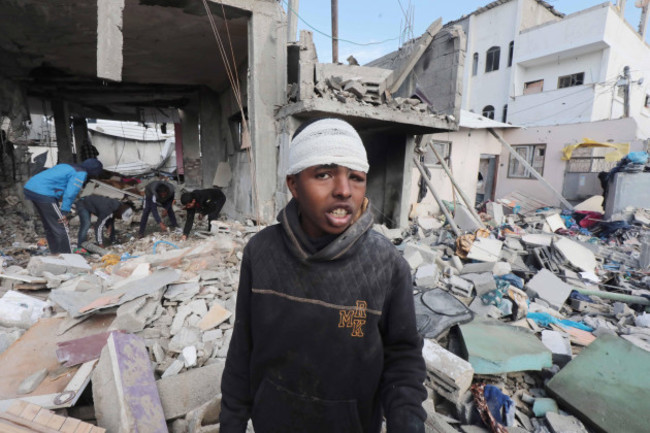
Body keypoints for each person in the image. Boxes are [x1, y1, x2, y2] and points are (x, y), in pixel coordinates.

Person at [220, 118, 427, 433]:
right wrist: (231, 423)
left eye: (356, 178)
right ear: (294, 184)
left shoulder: (386, 265)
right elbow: (242, 347)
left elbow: (403, 359)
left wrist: (407, 424)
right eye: (324, 174)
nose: (343, 190)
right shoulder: (261, 254)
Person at [24, 158, 103, 254]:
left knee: (50, 226)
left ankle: (55, 253)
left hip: (31, 188)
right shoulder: (80, 173)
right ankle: (67, 257)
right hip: (44, 193)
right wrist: (64, 212)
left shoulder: (67, 165)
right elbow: (70, 193)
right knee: (61, 226)